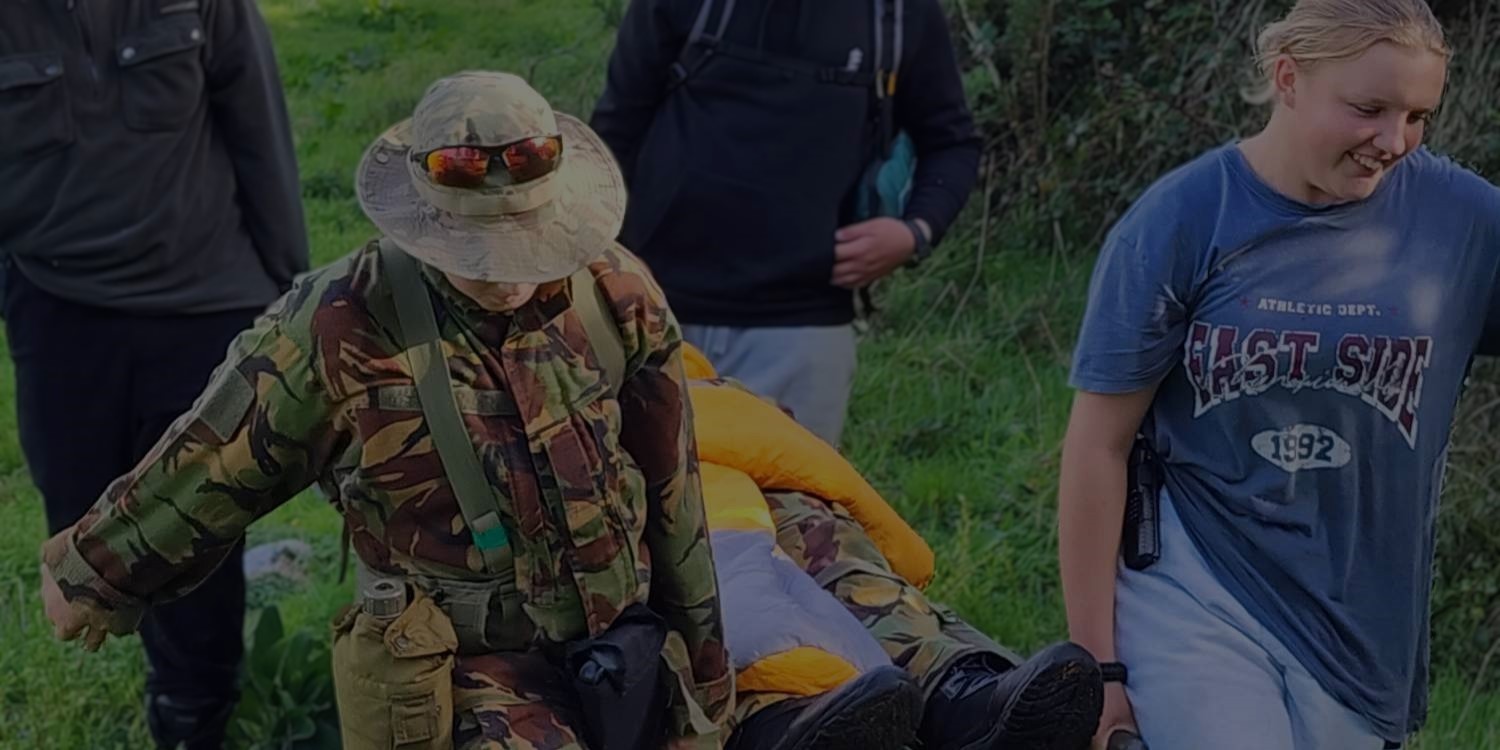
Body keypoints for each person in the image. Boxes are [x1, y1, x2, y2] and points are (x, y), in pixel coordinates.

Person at [38, 70, 736, 750]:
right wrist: (95, 570)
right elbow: (218, 454)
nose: (509, 278)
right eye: (481, 255)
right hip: (464, 669)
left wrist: (706, 680)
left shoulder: (616, 295)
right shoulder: (344, 320)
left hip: (618, 650)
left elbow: (675, 492)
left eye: (529, 245)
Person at [1056, 2, 1500, 749]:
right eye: (1368, 108)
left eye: (1419, 115)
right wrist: (1096, 669)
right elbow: (1098, 444)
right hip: (1197, 588)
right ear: (1289, 78)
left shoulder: (1462, 222)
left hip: (1362, 635)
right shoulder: (1185, 219)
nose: (1393, 141)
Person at [0, 0, 307, 746]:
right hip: (60, 304)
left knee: (194, 521)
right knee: (87, 532)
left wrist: (292, 302)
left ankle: (194, 712)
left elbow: (259, 132)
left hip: (204, 294)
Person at [590, 0, 982, 446]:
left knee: (786, 513)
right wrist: (606, 269)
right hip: (653, 314)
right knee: (635, 508)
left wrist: (915, 232)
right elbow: (613, 130)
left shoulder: (895, 14)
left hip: (801, 331)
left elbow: (952, 142)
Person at [683, 347, 1105, 750]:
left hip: (682, 413)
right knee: (727, 594)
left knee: (815, 525)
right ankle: (778, 718)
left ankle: (954, 687)